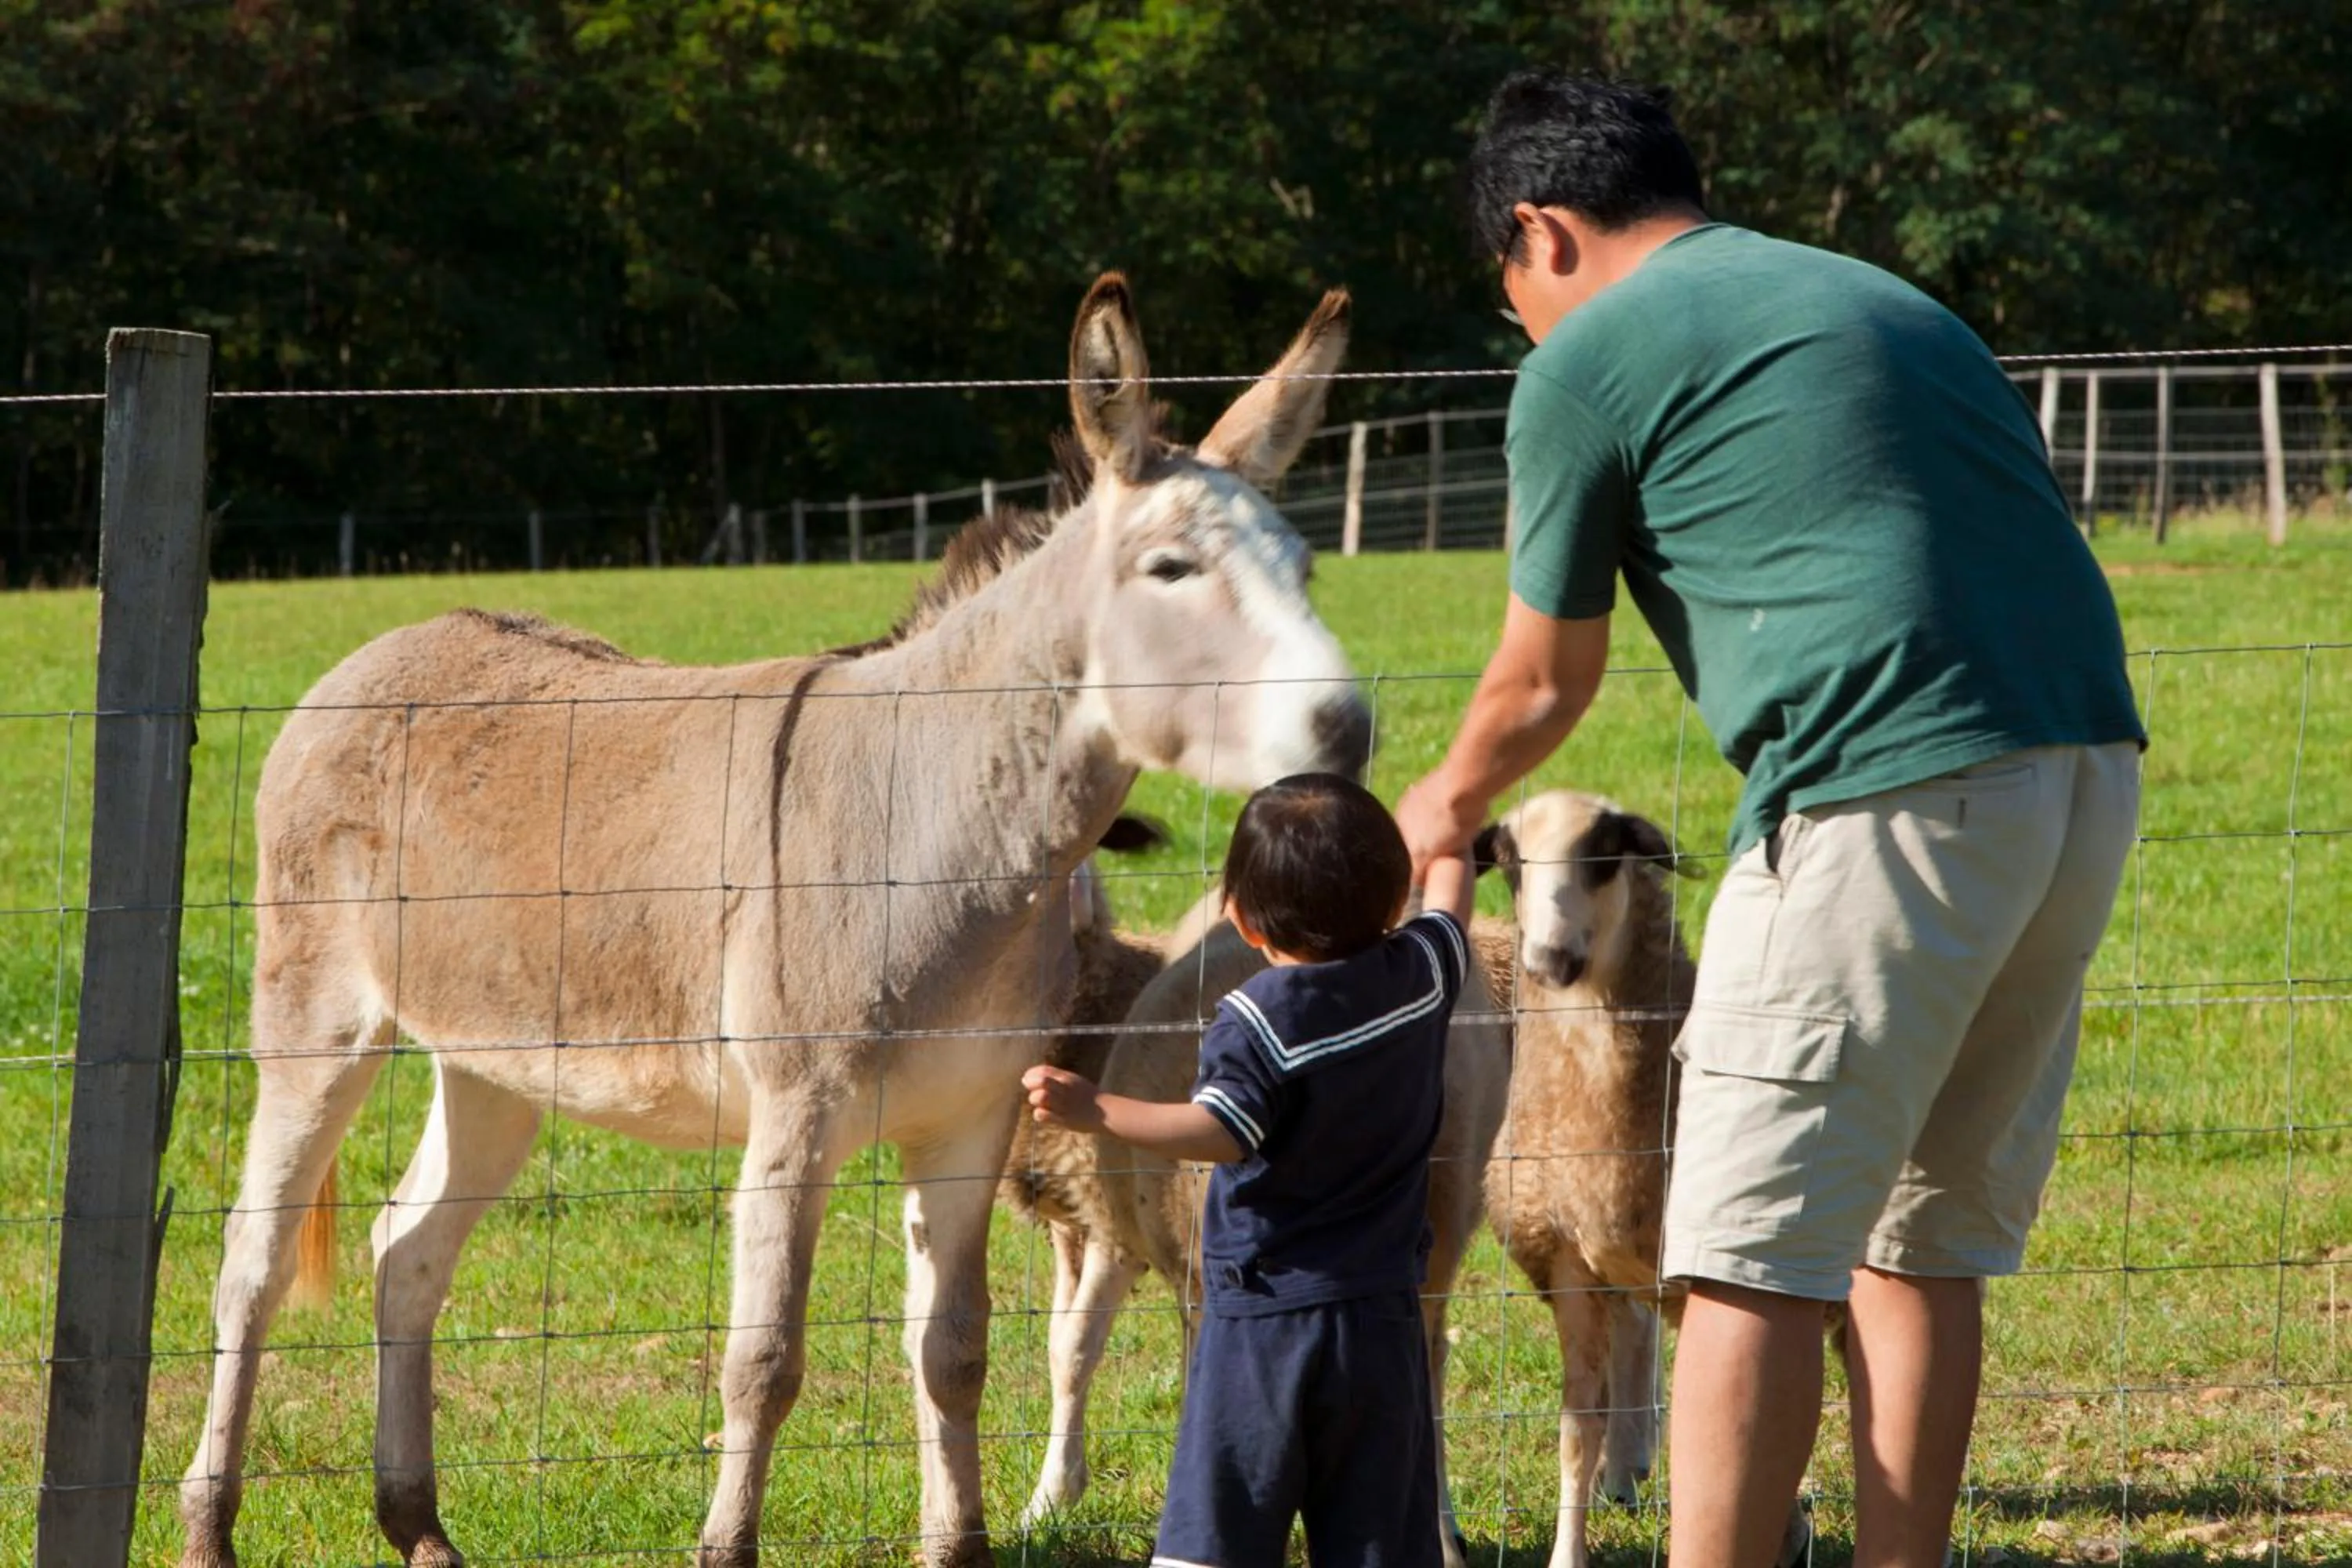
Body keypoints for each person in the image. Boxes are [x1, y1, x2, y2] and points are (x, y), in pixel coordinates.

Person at [1393, 71, 2147, 1568]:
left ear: (1542, 232)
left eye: (1509, 290)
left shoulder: (1586, 359)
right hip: (2079, 773)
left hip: (1883, 789)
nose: (1522, 326)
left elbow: (1542, 681)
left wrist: (1439, 805)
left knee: (1742, 1256)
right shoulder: (1881, 298)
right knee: (1915, 1247)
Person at [1023, 772, 1476, 1568]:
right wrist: (1449, 835)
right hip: (1382, 1318)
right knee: (1377, 1539)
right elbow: (1451, 904)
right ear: (1392, 898)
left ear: (1238, 916)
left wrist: (1097, 1107)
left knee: (1218, 1536)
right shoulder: (1425, 976)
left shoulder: (1257, 1016)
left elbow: (1221, 1129)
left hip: (1265, 1325)